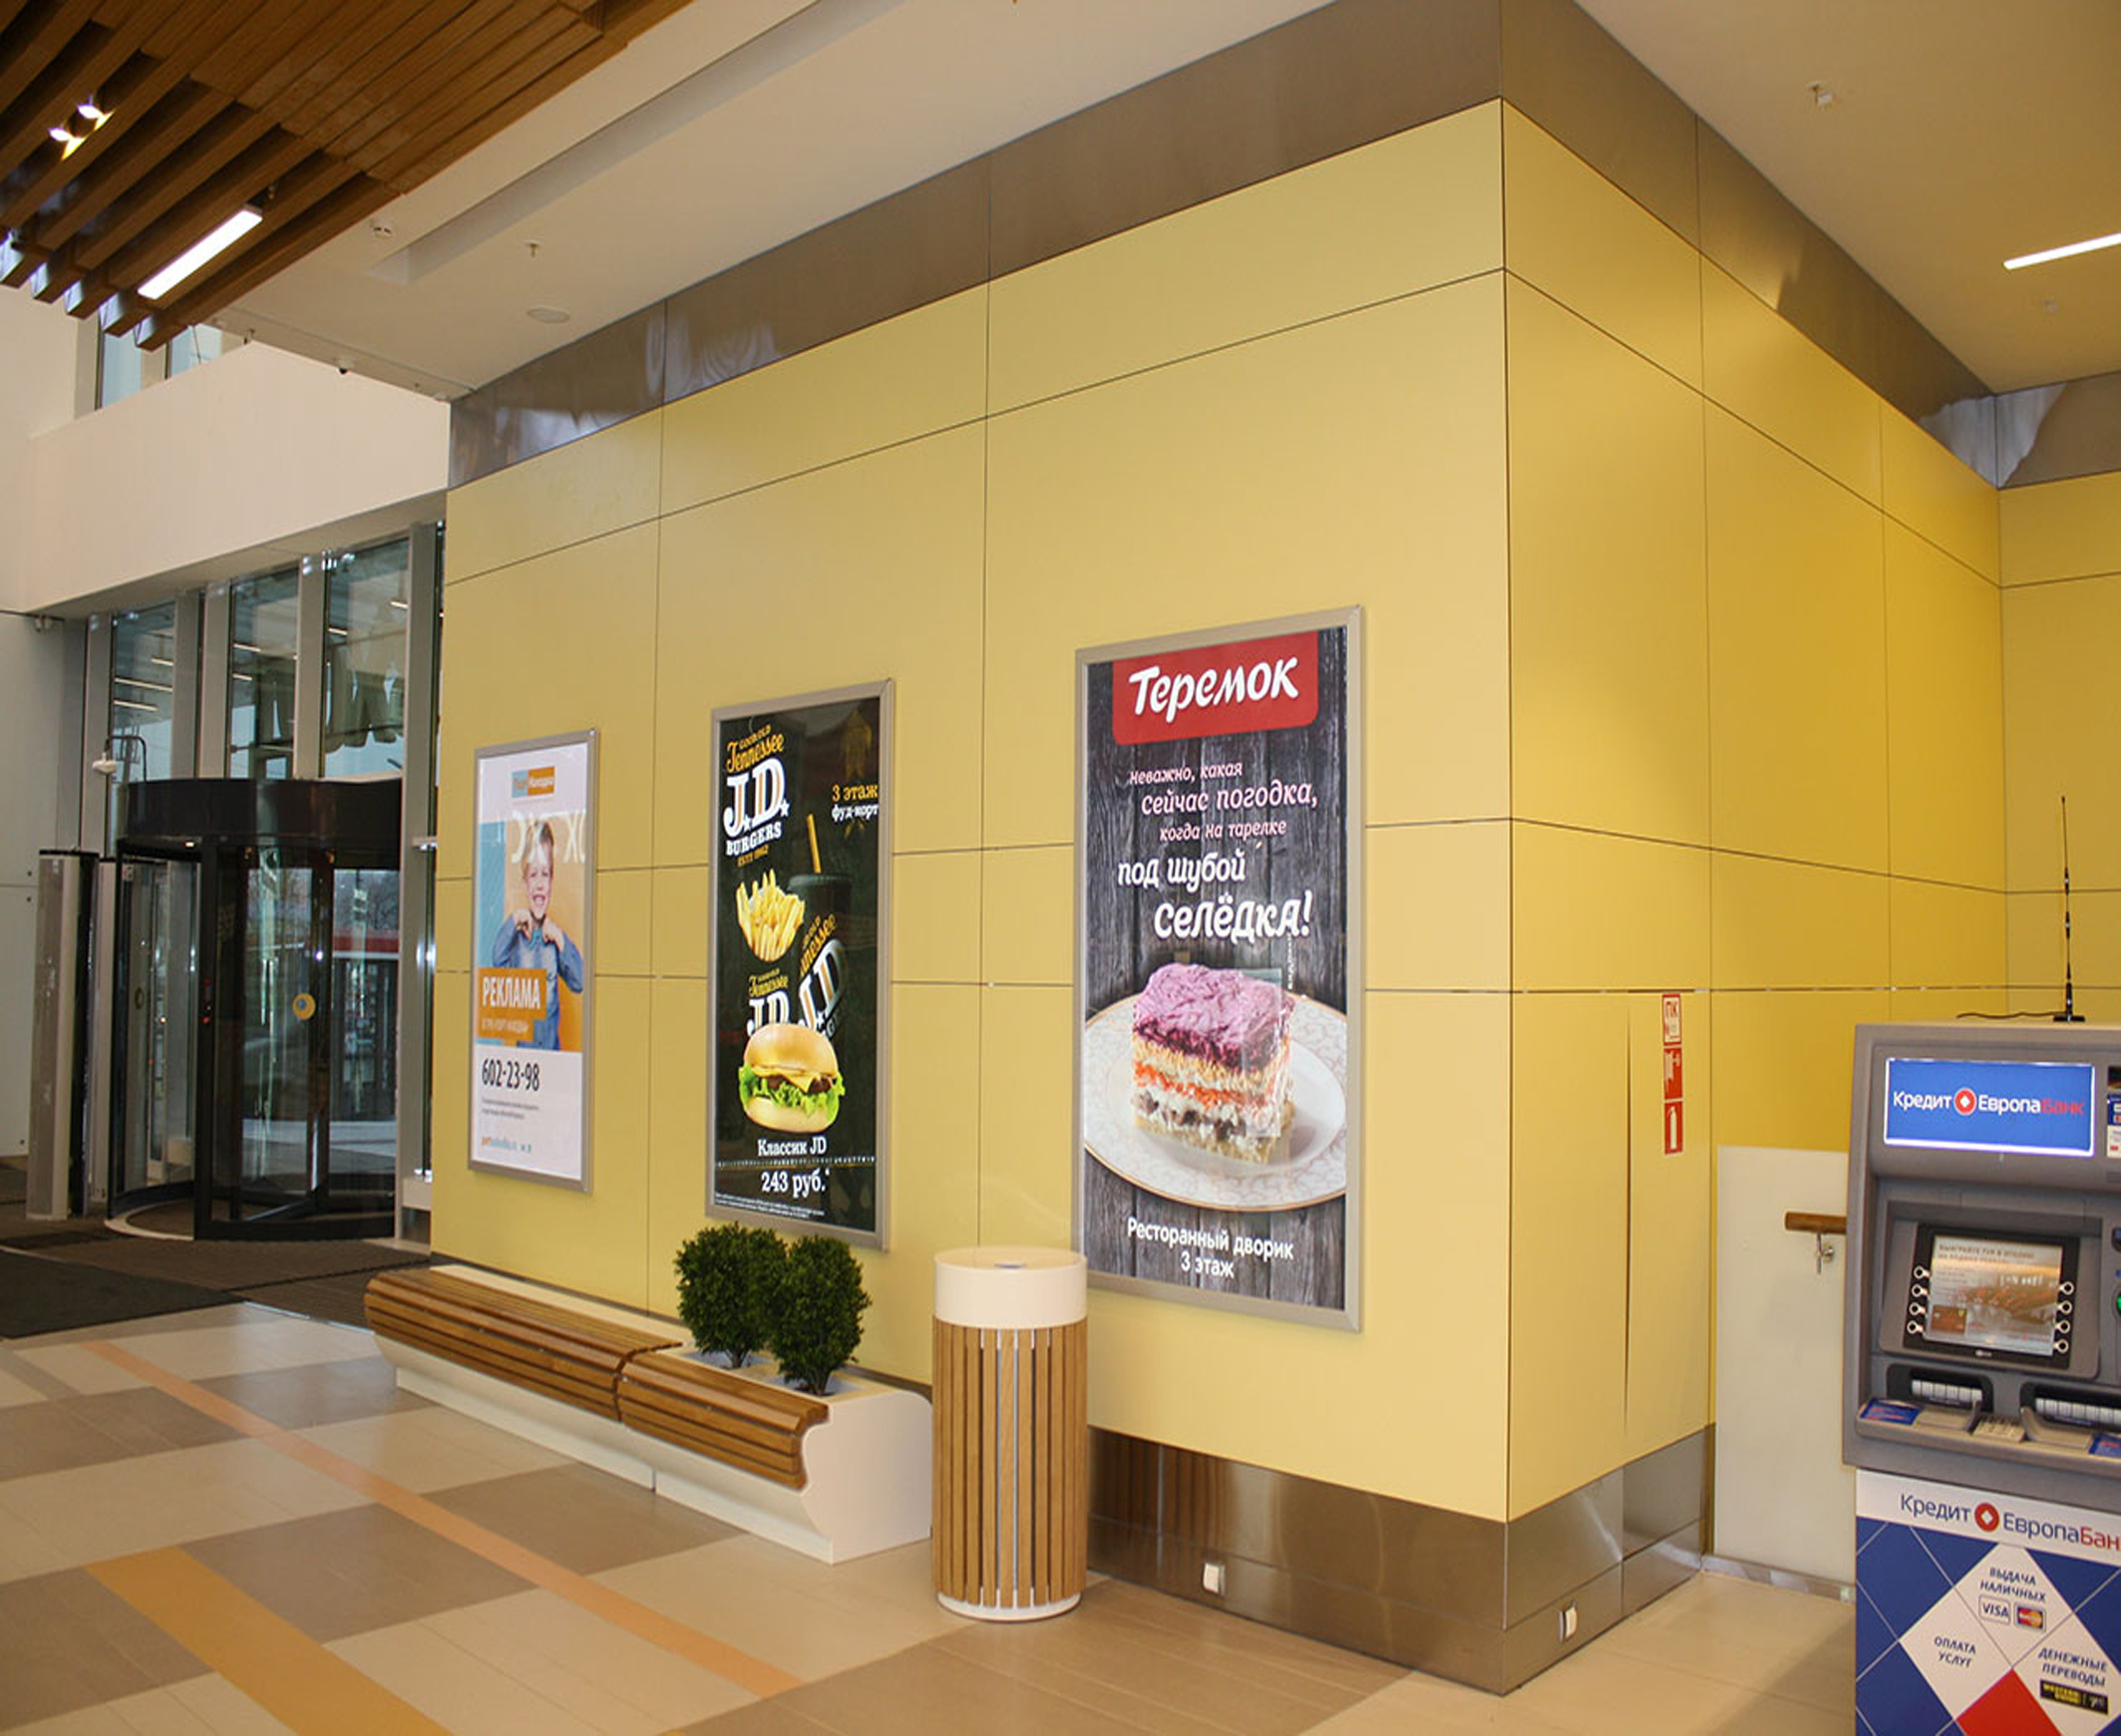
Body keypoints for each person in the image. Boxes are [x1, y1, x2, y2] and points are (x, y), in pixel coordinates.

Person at [490, 821, 582, 1050]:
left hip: (552, 1054)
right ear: (524, 883)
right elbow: (497, 960)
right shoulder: (516, 938)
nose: (540, 884)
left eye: (545, 875)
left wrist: (561, 939)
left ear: (551, 882)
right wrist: (513, 921)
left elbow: (579, 981)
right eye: (533, 875)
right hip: (525, 1057)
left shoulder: (554, 941)